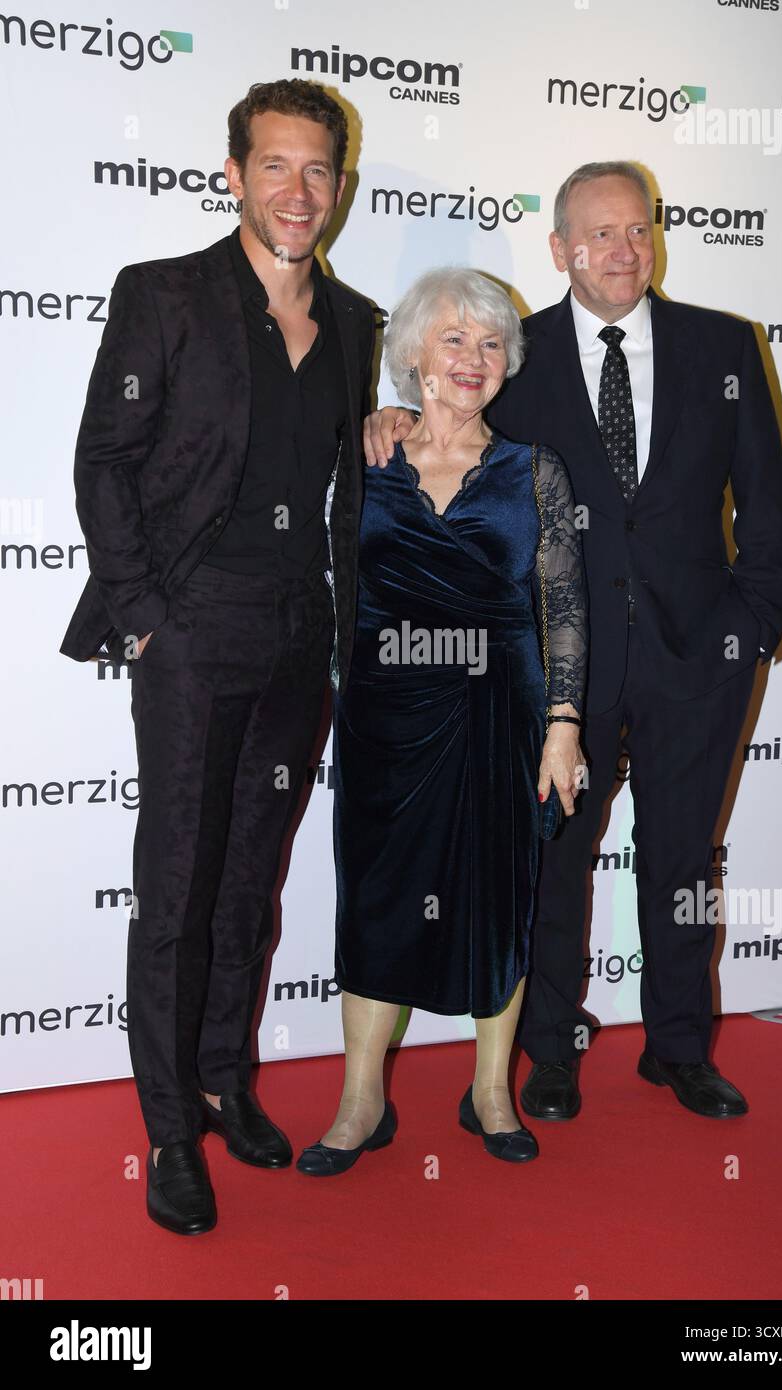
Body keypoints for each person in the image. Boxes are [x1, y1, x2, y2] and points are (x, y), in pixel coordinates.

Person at [364, 162, 782, 1122]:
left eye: (637, 231)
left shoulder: (723, 346)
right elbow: (460, 435)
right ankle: (549, 1051)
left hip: (698, 659)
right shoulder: (520, 357)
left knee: (685, 857)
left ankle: (680, 1047)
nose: (622, 251)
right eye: (599, 234)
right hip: (562, 662)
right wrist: (395, 413)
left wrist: (753, 625)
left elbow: (766, 508)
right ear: (559, 249)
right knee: (556, 857)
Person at [60, 79, 375, 1234]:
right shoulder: (166, 296)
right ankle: (167, 1129)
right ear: (233, 174)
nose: (299, 192)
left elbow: (342, 484)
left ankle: (223, 1078)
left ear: (339, 185)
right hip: (191, 636)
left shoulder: (352, 325)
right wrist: (146, 615)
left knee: (250, 881)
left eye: (318, 170)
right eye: (276, 167)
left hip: (299, 638)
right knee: (178, 888)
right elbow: (104, 460)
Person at [295, 268, 588, 1175]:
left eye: (491, 343)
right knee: (378, 900)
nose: (473, 358)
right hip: (388, 715)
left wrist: (564, 723)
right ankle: (360, 1101)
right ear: (414, 353)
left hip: (501, 710)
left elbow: (562, 603)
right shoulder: (366, 456)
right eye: (454, 339)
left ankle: (492, 1091)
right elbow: (329, 584)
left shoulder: (533, 469)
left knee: (500, 895)